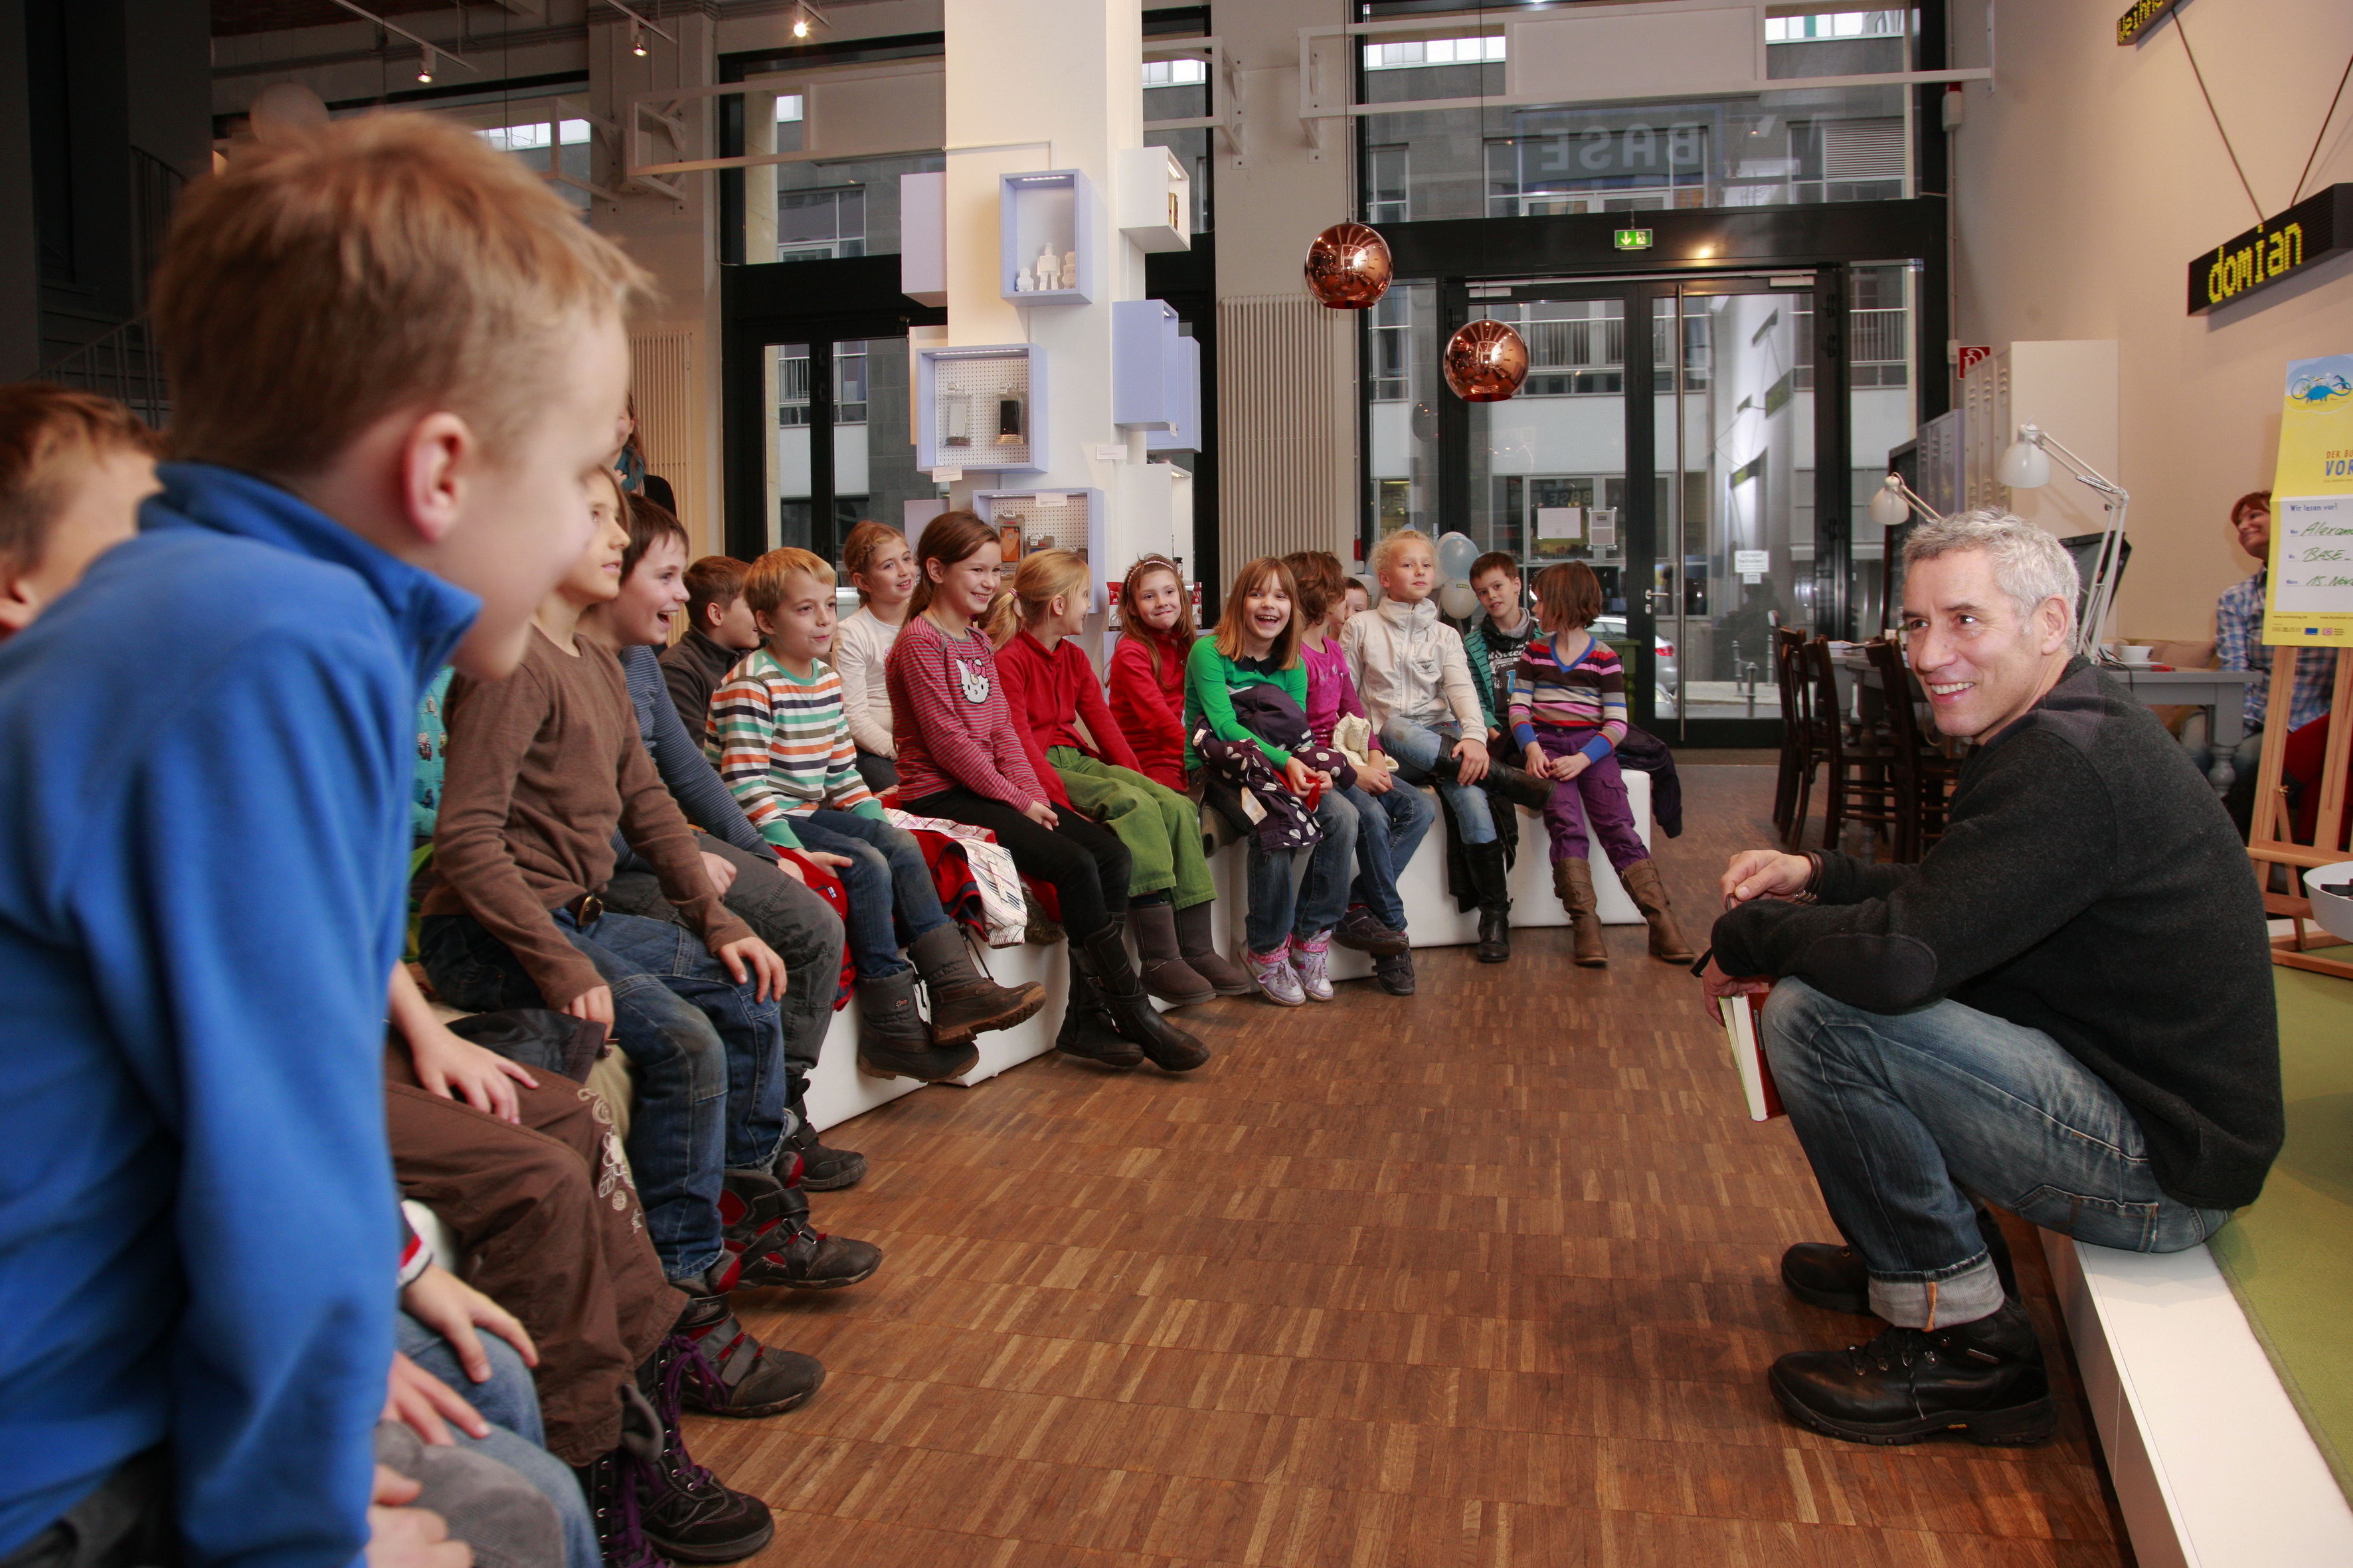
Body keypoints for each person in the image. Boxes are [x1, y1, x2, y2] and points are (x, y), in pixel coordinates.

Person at [0, 113, 642, 1566]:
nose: (572, 542)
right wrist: (301, 1542)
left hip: (87, 1387)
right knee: (512, 1516)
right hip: (47, 1461)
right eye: (576, 479)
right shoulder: (274, 644)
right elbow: (274, 1151)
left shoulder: (218, 612)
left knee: (502, 1437)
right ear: (440, 472)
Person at [1699, 510, 2281, 1448]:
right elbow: (1957, 899)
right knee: (1843, 988)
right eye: (1916, 625)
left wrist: (1754, 936)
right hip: (2139, 1103)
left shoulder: (2062, 764)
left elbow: (1905, 958)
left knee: (1822, 1016)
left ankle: (1962, 1343)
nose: (1929, 654)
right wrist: (1820, 876)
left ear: (2050, 623)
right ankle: (1917, 1256)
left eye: (1963, 621)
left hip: (2162, 1167)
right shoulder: (2069, 725)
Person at [420, 483, 883, 1305]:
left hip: (570, 920)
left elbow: (651, 802)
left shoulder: (597, 662)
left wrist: (719, 922)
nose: (681, 594)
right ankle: (682, 1286)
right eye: (666, 576)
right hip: (492, 935)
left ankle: (747, 1213)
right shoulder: (512, 665)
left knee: (747, 988)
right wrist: (563, 968)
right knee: (685, 1040)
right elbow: (466, 843)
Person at [575, 493, 861, 1190]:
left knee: (814, 918)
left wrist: (770, 855)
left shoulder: (639, 660)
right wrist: (688, 863)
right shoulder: (570, 668)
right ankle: (756, 1157)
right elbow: (598, 811)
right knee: (765, 953)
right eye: (667, 576)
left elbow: (686, 776)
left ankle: (784, 1111)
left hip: (661, 844)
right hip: (622, 866)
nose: (685, 595)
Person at [886, 510, 1207, 1072]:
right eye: (976, 570)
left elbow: (1004, 733)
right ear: (935, 571)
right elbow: (948, 744)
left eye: (994, 571)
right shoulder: (920, 641)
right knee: (1076, 864)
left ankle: (1085, 1020)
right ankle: (1130, 1010)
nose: (989, 582)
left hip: (987, 787)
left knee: (1110, 854)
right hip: (938, 792)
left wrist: (1036, 794)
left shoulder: (975, 639)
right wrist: (1016, 800)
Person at [712, 545, 1043, 1083]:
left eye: (827, 606)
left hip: (806, 808)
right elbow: (742, 785)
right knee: (865, 862)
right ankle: (891, 1024)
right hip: (762, 821)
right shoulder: (752, 683)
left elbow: (842, 772)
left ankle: (954, 984)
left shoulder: (822, 681)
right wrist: (787, 846)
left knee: (899, 842)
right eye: (805, 609)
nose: (824, 620)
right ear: (766, 621)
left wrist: (880, 817)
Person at [990, 549, 1249, 1003]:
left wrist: (1139, 779)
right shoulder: (1010, 660)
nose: (1088, 608)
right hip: (1044, 765)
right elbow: (1019, 743)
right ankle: (1159, 958)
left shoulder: (1071, 657)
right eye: (1081, 599)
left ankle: (1197, 946)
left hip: (1076, 756)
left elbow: (1104, 727)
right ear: (1057, 605)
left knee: (1170, 803)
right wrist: (1057, 803)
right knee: (1136, 806)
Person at [1342, 528, 1549, 963]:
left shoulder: (1445, 634)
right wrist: (1366, 747)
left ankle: (1495, 914)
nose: (1419, 571)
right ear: (1384, 576)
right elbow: (1349, 702)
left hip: (1443, 746)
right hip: (1388, 747)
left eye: (1426, 564)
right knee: (1397, 726)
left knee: (1472, 801)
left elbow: (1462, 694)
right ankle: (1505, 779)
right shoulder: (1360, 627)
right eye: (1407, 564)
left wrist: (1474, 739)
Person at [1187, 557, 1361, 1006]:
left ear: (1293, 608)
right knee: (1275, 823)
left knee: (1343, 814)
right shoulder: (1209, 652)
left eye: (1280, 596)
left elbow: (1292, 731)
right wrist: (1289, 763)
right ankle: (1264, 948)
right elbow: (1225, 727)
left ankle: (1309, 941)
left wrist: (1303, 767)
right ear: (1239, 601)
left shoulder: (1291, 663)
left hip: (1279, 767)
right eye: (1258, 593)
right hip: (1221, 768)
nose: (1270, 604)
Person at [1510, 562, 1692, 966]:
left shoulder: (1604, 658)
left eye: (1541, 602)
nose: (1535, 610)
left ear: (1565, 604)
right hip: (1550, 752)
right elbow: (1519, 710)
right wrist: (1533, 750)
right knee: (1567, 828)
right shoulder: (1534, 654)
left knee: (1618, 828)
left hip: (1593, 753)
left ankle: (1662, 923)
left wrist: (1583, 758)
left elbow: (1616, 723)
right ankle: (1585, 926)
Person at [1284, 549, 1432, 997]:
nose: (1346, 602)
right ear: (1320, 598)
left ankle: (1357, 905)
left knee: (1418, 807)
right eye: (1337, 593)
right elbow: (1299, 736)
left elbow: (1354, 712)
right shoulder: (1293, 658)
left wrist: (1370, 756)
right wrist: (1353, 772)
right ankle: (1393, 937)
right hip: (1323, 766)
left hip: (1349, 759)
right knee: (1370, 816)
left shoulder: (1330, 650)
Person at [2216, 488, 2338, 835]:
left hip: (2314, 719)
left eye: (2254, 515)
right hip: (2254, 709)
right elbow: (2234, 671)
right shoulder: (2237, 598)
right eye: (2239, 521)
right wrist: (2241, 723)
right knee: (2196, 748)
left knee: (2245, 758)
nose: (2243, 526)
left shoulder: (2334, 590)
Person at [834, 519, 915, 794]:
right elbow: (854, 718)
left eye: (906, 559)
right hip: (877, 751)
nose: (904, 571)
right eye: (889, 566)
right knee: (909, 794)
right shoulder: (852, 633)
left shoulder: (925, 620)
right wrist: (901, 751)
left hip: (928, 743)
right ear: (862, 581)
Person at [1104, 555, 1196, 794]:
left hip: (1175, 752)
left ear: (1181, 597)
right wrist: (1198, 751)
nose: (1161, 602)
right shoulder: (1131, 651)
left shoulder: (1184, 643)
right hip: (1142, 758)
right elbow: (1157, 719)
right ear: (1133, 608)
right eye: (1149, 596)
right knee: (1182, 808)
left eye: (1169, 592)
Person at [662, 553, 761, 740]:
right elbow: (694, 752)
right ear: (717, 614)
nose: (761, 613)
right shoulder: (677, 671)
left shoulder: (752, 661)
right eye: (752, 605)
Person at [1460, 551, 1535, 746]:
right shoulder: (1473, 644)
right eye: (1483, 592)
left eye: (1498, 586)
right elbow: (1475, 701)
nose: (1492, 596)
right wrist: (1498, 740)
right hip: (1498, 736)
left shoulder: (1543, 636)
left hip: (1540, 732)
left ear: (1517, 585)